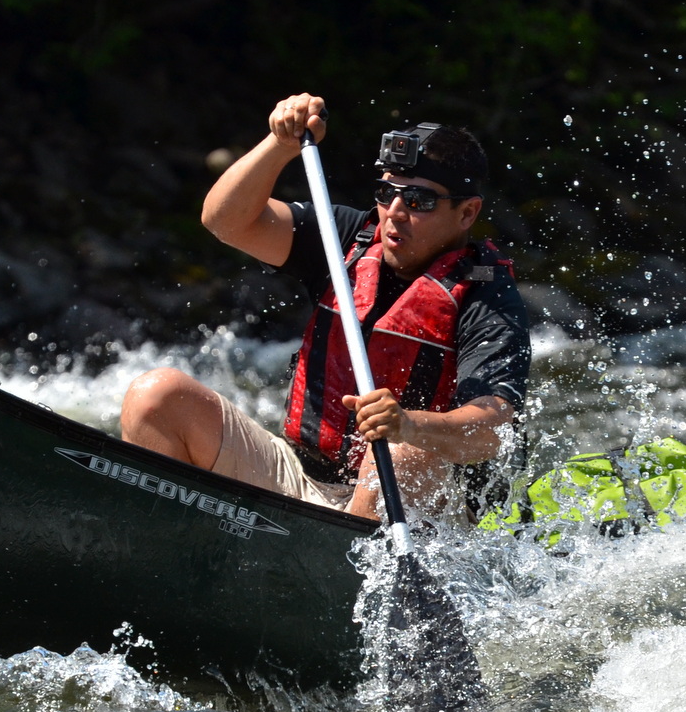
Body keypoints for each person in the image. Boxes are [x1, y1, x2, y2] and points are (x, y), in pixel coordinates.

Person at [120, 93, 531, 522]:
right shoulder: (346, 240)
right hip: (300, 479)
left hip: (412, 511)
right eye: (386, 193)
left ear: (467, 213)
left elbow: (494, 428)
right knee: (158, 395)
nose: (394, 213)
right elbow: (226, 221)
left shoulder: (488, 296)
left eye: (418, 202)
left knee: (403, 452)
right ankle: (165, 543)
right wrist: (281, 143)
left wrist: (408, 424)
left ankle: (339, 567)